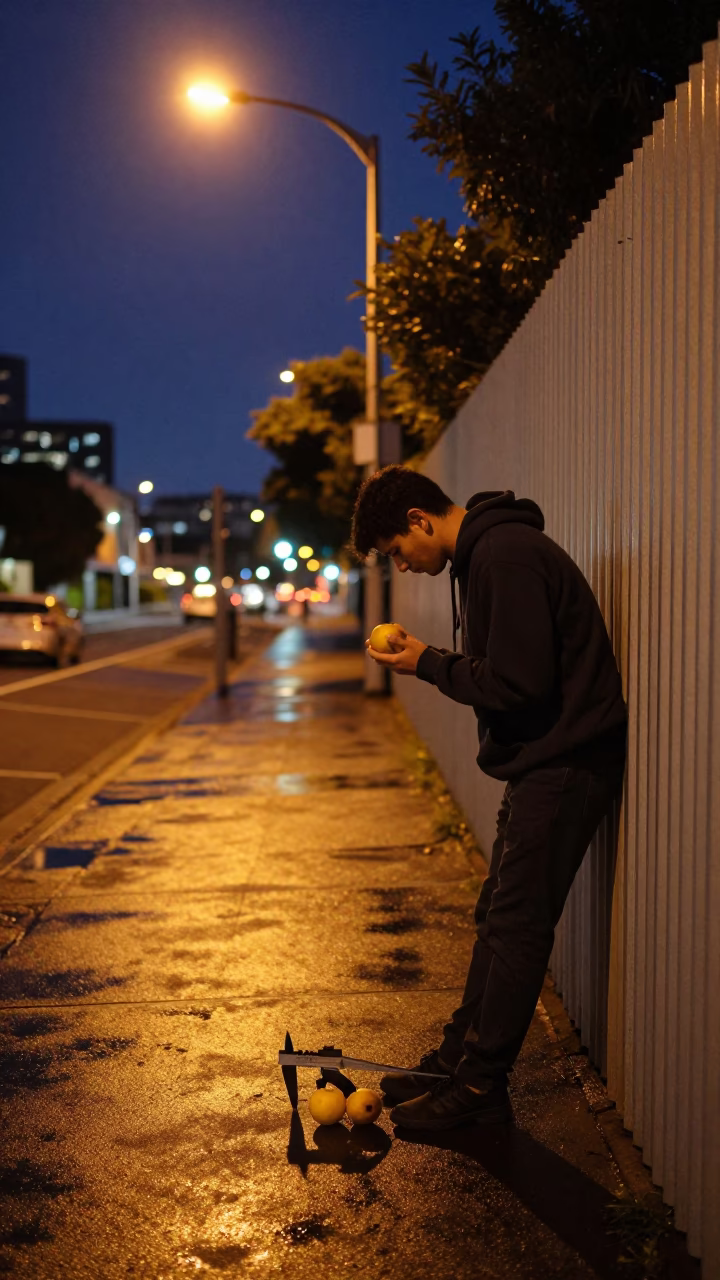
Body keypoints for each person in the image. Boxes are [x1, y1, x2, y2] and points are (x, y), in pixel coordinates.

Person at [351, 465, 627, 1131]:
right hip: (544, 762)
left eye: (395, 551)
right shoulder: (488, 556)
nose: (404, 566)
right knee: (498, 919)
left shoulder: (503, 557)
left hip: (564, 764)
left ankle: (477, 1089)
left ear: (420, 520)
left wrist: (429, 662)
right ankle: (457, 1062)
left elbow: (520, 682)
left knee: (516, 926)